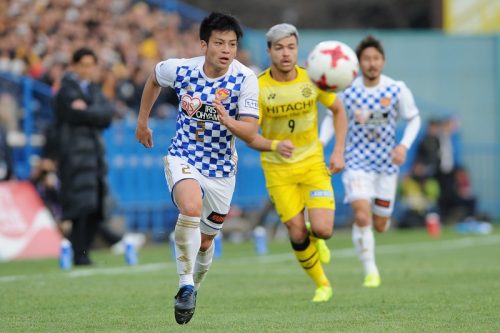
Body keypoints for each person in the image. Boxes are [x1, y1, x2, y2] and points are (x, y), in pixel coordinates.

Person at [135, 12, 259, 325]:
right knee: (190, 206)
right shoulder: (180, 69)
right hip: (184, 156)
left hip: (221, 169)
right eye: (219, 43)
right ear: (204, 44)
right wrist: (142, 122)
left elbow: (251, 130)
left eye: (232, 44)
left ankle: (195, 286)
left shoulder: (245, 79)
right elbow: (153, 78)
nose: (226, 49)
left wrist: (230, 121)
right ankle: (185, 285)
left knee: (205, 241)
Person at [247, 23, 347, 302]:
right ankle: (322, 284)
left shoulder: (313, 79)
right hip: (278, 169)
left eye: (291, 47)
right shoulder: (258, 88)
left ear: (298, 49)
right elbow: (250, 135)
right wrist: (275, 145)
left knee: (323, 229)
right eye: (279, 48)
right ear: (269, 51)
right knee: (295, 229)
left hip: (313, 164)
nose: (286, 53)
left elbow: (339, 111)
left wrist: (338, 151)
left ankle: (318, 239)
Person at [319, 35, 421, 287]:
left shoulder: (396, 89)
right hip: (357, 163)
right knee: (362, 215)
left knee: (381, 224)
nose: (372, 63)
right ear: (358, 63)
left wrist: (403, 146)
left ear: (383, 61)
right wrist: (321, 143)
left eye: (376, 58)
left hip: (386, 166)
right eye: (367, 59)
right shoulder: (349, 90)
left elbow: (414, 119)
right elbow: (333, 117)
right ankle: (370, 270)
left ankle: (374, 239)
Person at [54, 47, 115, 266]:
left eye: (92, 65)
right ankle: (78, 253)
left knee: (96, 207)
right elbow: (72, 113)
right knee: (81, 207)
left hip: (95, 157)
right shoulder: (65, 90)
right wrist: (94, 112)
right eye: (84, 65)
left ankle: (84, 252)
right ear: (75, 66)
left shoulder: (95, 90)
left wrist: (87, 110)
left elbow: (107, 114)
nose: (88, 70)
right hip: (75, 157)